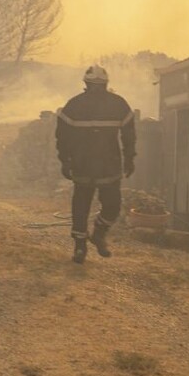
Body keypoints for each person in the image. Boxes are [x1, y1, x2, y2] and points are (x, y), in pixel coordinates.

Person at [56, 64, 137, 264]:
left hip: (109, 164)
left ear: (106, 85)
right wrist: (65, 160)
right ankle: (80, 246)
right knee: (80, 207)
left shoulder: (118, 105)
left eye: (100, 86)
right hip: (82, 163)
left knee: (113, 206)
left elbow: (129, 134)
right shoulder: (74, 105)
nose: (97, 90)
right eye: (94, 85)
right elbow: (62, 136)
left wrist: (129, 158)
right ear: (86, 84)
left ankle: (99, 234)